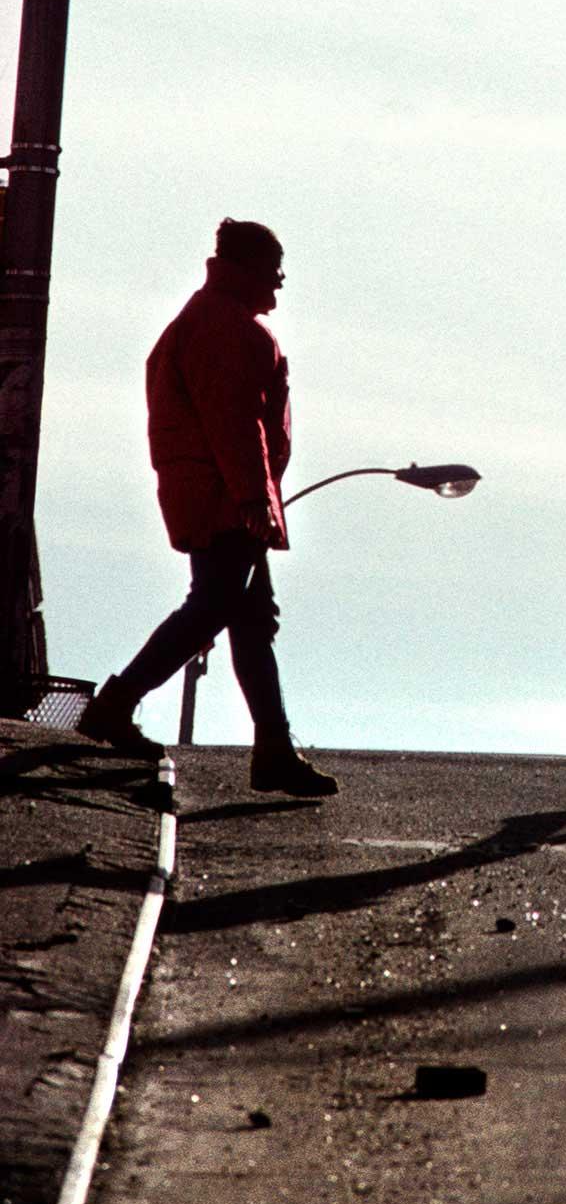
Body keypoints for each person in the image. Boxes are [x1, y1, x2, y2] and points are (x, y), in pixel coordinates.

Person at [76, 219, 336, 797]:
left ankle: (273, 748)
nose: (280, 282)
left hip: (217, 493)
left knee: (249, 618)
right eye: (273, 270)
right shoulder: (228, 330)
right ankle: (116, 705)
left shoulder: (206, 320)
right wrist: (252, 499)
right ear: (246, 268)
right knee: (216, 606)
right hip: (227, 498)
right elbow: (236, 425)